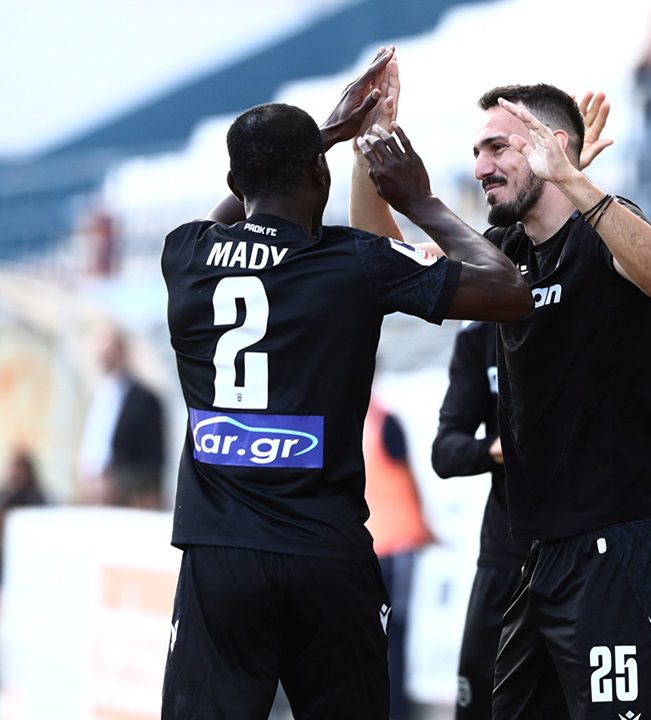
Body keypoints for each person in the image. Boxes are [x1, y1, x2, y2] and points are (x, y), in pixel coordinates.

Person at [159, 47, 531, 719]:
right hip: (324, 554)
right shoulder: (355, 260)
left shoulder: (185, 253)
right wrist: (419, 201)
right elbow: (510, 292)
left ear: (234, 180)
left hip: (220, 556)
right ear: (319, 176)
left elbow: (229, 218)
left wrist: (323, 138)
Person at [353, 80, 651, 718]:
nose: (480, 167)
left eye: (497, 147)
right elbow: (379, 262)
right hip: (537, 553)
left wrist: (573, 180)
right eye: (476, 152)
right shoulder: (505, 253)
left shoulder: (605, 228)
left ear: (549, 147)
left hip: (619, 544)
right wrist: (365, 151)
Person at [429, 320, 529, 720]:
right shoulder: (479, 334)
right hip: (505, 552)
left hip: (584, 551)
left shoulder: (584, 308)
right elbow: (445, 450)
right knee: (479, 702)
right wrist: (494, 449)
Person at [363, 395, 434, 720]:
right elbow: (405, 475)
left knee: (375, 633)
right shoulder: (383, 420)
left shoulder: (353, 420)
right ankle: (394, 711)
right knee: (394, 633)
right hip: (395, 543)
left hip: (373, 544)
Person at [77, 324, 165, 509]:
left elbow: (153, 461)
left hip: (128, 499)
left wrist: (118, 482)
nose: (103, 356)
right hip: (93, 495)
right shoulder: (98, 395)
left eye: (108, 350)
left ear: (121, 351)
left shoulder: (144, 400)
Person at [0, 449, 47, 584]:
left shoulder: (38, 497)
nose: (16, 472)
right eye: (14, 467)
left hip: (32, 552)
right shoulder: (5, 495)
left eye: (20, 467)